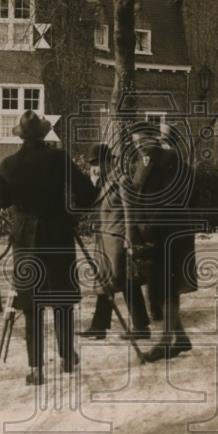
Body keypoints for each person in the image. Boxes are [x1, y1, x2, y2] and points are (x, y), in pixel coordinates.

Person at [0, 111, 97, 385]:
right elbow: (87, 194)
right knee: (61, 298)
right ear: (43, 134)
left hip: (26, 239)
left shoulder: (8, 165)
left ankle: (36, 367)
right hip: (59, 234)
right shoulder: (59, 159)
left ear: (21, 136)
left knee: (31, 302)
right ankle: (66, 357)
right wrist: (70, 214)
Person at [128, 122, 198, 362]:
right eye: (135, 142)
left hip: (170, 231)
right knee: (160, 286)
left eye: (142, 141)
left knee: (166, 286)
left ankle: (167, 341)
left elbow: (172, 197)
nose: (138, 146)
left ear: (153, 139)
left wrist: (150, 227)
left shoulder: (170, 159)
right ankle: (178, 338)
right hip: (151, 232)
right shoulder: (141, 163)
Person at [80, 142, 152, 340]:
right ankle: (99, 325)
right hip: (106, 241)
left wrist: (130, 239)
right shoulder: (103, 183)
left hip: (119, 241)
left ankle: (141, 327)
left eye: (97, 163)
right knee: (106, 282)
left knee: (127, 282)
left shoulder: (122, 181)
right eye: (91, 164)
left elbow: (131, 212)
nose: (93, 168)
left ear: (108, 163)